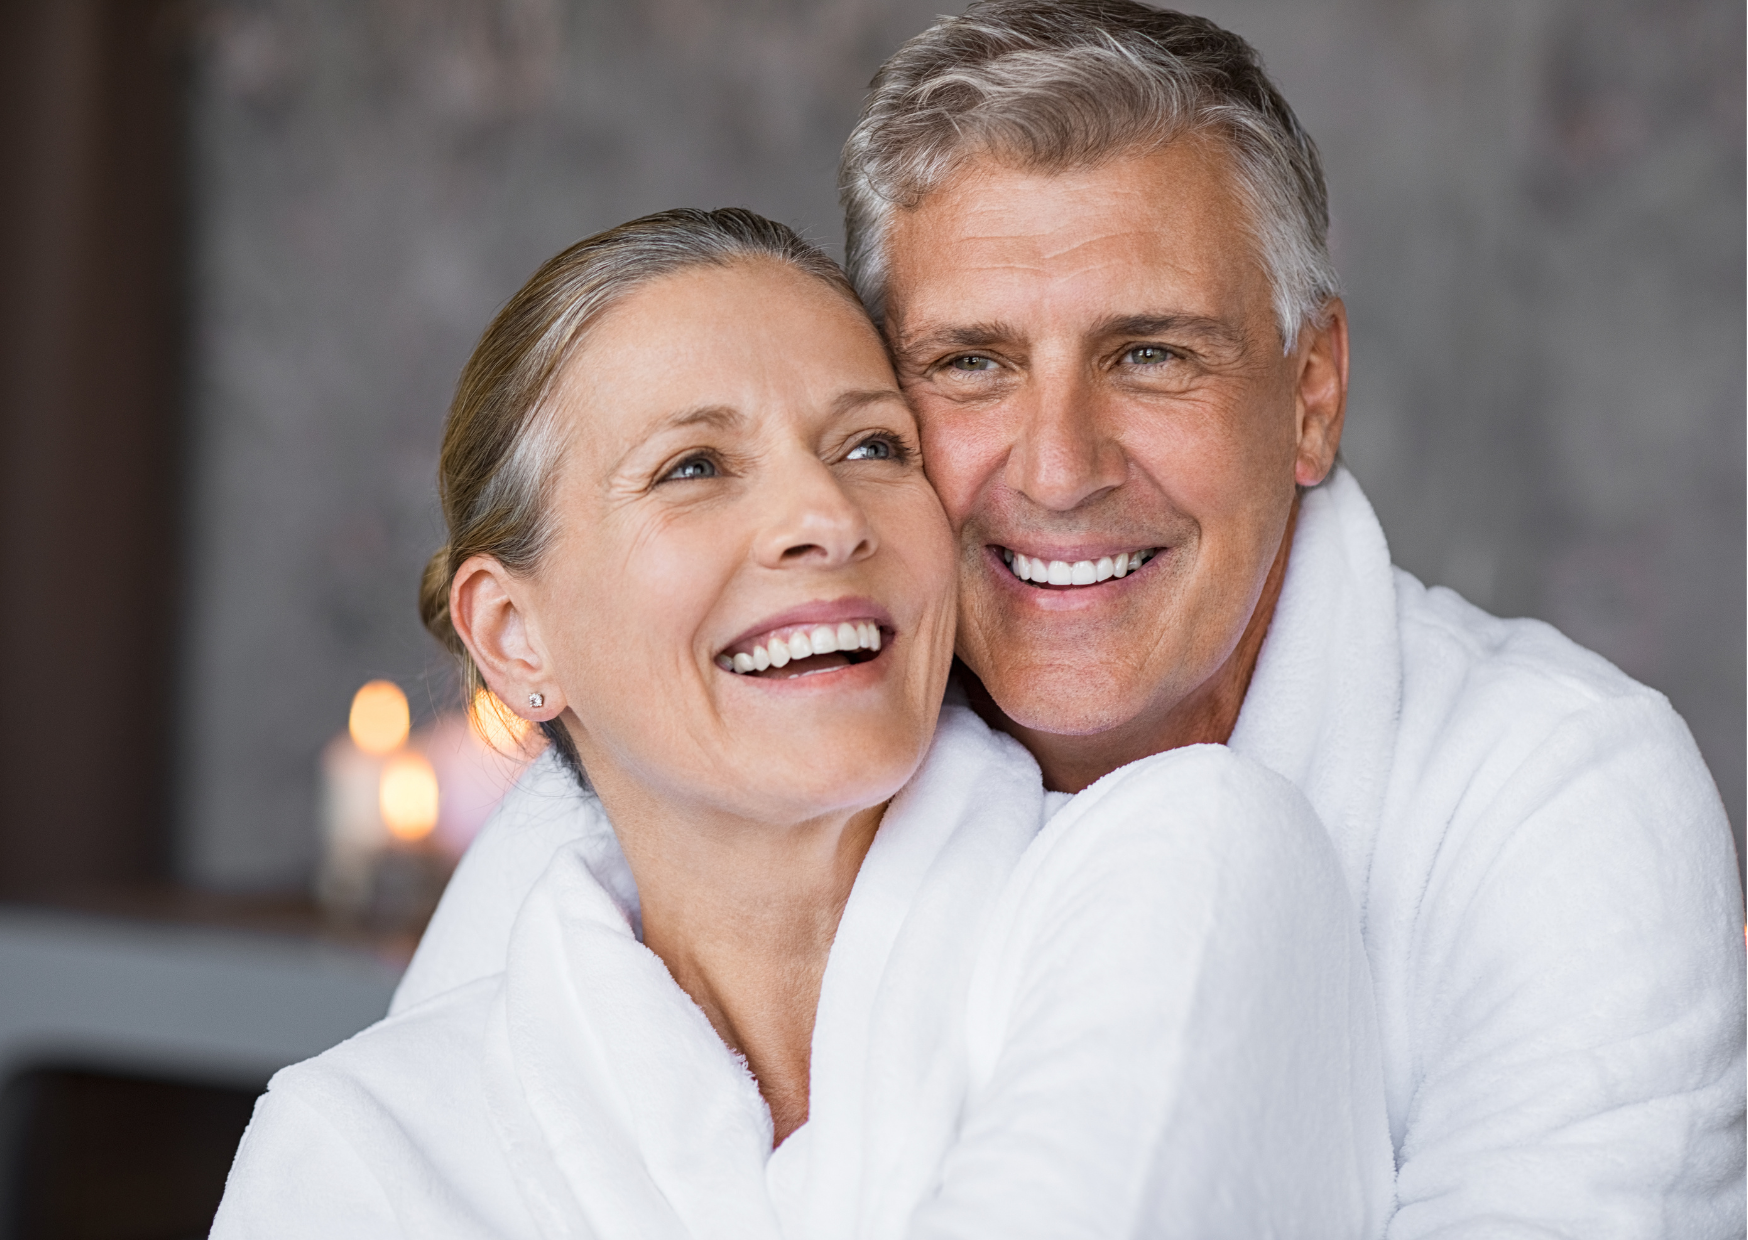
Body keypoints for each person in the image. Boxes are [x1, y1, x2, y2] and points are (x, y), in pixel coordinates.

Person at [401, 3, 1746, 1236]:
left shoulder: (1560, 800)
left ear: (1315, 390)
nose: (1058, 468)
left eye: (1151, 354)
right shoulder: (679, 785)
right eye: (969, 366)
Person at [213, 208, 1392, 1237]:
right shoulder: (360, 1152)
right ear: (517, 637)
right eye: (692, 467)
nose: (822, 514)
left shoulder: (1192, 868)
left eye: (872, 445)